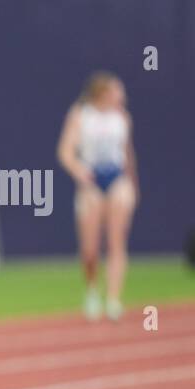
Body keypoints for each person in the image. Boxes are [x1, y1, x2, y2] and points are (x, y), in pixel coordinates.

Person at [57, 71, 138, 321]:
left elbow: (127, 153)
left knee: (116, 242)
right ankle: (92, 290)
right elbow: (65, 151)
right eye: (117, 90)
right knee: (90, 249)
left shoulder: (122, 117)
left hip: (116, 179)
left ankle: (113, 299)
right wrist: (79, 172)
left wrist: (133, 183)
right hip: (91, 180)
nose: (121, 95)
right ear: (102, 93)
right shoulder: (80, 115)